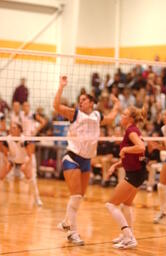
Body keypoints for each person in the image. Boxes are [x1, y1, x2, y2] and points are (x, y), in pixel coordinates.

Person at [54, 76, 120, 246]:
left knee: (79, 197)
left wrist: (117, 104)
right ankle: (72, 233)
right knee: (75, 196)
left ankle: (66, 222)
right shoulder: (75, 113)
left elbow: (112, 118)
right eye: (79, 100)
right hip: (72, 158)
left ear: (91, 102)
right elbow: (56, 106)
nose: (80, 102)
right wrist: (61, 87)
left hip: (86, 160)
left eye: (83, 100)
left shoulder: (97, 115)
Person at [105, 106, 147, 249]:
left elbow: (141, 147)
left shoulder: (131, 130)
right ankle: (129, 235)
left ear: (130, 119)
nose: (121, 116)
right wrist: (115, 166)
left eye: (124, 114)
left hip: (135, 174)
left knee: (111, 205)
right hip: (138, 172)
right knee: (126, 205)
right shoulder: (132, 130)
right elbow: (132, 156)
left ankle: (128, 237)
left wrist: (124, 149)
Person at [0, 122, 42, 206]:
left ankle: (37, 199)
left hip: (25, 159)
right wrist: (7, 162)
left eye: (14, 128)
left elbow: (30, 155)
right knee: (1, 175)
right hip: (12, 159)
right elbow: (5, 154)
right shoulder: (7, 140)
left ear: (19, 130)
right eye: (11, 128)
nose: (12, 129)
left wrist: (26, 165)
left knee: (31, 178)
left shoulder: (25, 139)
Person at [153, 110, 166, 223]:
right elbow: (165, 147)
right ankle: (163, 212)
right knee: (161, 186)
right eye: (163, 115)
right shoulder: (164, 129)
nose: (163, 117)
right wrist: (156, 146)